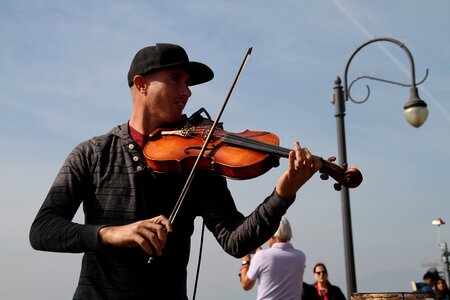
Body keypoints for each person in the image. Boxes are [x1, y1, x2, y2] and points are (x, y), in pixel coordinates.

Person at [29, 43, 322, 300]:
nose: (187, 91)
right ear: (141, 84)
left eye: (187, 82)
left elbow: (236, 240)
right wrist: (110, 233)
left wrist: (283, 194)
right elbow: (42, 230)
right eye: (175, 79)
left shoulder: (198, 160)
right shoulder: (92, 154)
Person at [239, 217, 306, 300]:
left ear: (273, 235)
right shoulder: (300, 257)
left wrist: (245, 261)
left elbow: (246, 285)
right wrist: (260, 254)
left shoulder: (262, 256)